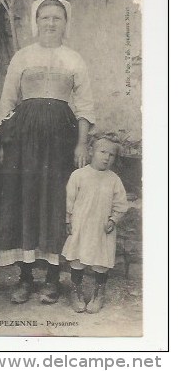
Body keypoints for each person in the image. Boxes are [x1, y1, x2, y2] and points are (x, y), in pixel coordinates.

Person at [0, 0, 95, 304]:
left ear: (66, 23)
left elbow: (85, 106)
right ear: (35, 22)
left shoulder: (74, 59)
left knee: (55, 201)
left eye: (57, 18)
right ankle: (25, 277)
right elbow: (6, 103)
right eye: (45, 18)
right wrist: (6, 141)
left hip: (61, 141)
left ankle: (52, 279)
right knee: (25, 200)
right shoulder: (22, 57)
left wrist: (81, 142)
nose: (51, 23)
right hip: (24, 141)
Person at [62, 132, 128, 313]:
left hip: (101, 227)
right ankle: (76, 291)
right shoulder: (79, 175)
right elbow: (69, 200)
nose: (107, 158)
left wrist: (113, 219)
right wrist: (68, 220)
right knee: (77, 258)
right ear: (91, 151)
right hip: (81, 225)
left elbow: (121, 204)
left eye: (111, 154)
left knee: (101, 261)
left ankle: (99, 293)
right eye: (102, 152)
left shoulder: (114, 179)